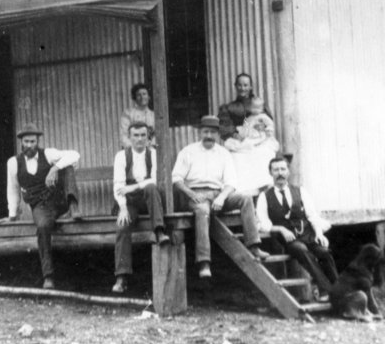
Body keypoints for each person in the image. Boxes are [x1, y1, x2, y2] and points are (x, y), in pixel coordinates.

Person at [171, 115, 269, 278]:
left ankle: (253, 245)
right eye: (205, 131)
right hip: (197, 194)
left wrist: (222, 197)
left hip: (219, 194)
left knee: (245, 198)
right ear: (200, 132)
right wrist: (191, 194)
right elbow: (176, 179)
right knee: (202, 211)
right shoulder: (188, 152)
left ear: (217, 134)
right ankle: (204, 262)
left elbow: (231, 182)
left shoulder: (224, 153)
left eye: (212, 132)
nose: (209, 135)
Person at [0, 124, 81, 289]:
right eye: (26, 141)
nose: (30, 145)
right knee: (43, 227)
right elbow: (12, 188)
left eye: (33, 141)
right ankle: (48, 276)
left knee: (68, 166)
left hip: (59, 200)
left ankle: (73, 206)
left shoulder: (48, 153)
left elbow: (75, 154)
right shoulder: (13, 163)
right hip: (40, 206)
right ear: (21, 142)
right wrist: (12, 215)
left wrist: (55, 168)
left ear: (38, 141)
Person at [256, 156, 338, 297]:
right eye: (276, 170)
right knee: (301, 249)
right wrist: (280, 229)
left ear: (288, 172)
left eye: (283, 169)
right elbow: (261, 224)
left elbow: (312, 215)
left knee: (324, 252)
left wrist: (319, 233)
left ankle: (340, 290)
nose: (280, 173)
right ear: (270, 173)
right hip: (287, 240)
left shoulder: (300, 191)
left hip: (307, 234)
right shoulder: (264, 196)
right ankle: (325, 290)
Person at [112, 122, 170, 293]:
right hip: (129, 202)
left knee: (151, 188)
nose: (139, 139)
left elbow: (154, 180)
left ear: (148, 137)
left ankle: (159, 232)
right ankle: (121, 277)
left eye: (143, 135)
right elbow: (118, 185)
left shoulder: (153, 154)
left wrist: (135, 186)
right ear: (129, 138)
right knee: (122, 226)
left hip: (149, 201)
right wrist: (122, 207)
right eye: (135, 136)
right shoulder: (121, 156)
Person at [223, 95, 279, 195]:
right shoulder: (248, 118)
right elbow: (245, 129)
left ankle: (262, 183)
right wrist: (242, 134)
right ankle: (245, 187)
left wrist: (268, 131)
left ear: (262, 108)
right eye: (253, 107)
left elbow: (270, 125)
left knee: (261, 152)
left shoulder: (263, 117)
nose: (256, 110)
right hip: (250, 138)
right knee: (239, 152)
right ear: (249, 107)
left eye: (258, 108)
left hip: (261, 137)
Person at [218, 72, 270, 140]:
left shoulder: (258, 105)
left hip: (259, 138)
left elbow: (268, 121)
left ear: (250, 86)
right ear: (235, 86)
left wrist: (262, 126)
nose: (242, 88)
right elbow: (224, 126)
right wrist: (234, 135)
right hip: (238, 140)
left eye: (245, 85)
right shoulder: (229, 108)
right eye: (239, 85)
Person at [119, 82, 155, 148]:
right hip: (132, 150)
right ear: (134, 98)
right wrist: (135, 148)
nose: (142, 97)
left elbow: (156, 136)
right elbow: (123, 136)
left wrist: (150, 145)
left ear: (149, 96)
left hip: (149, 149)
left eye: (144, 94)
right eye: (139, 95)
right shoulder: (128, 114)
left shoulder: (153, 115)